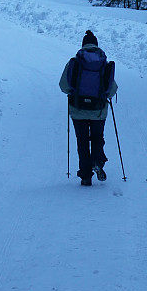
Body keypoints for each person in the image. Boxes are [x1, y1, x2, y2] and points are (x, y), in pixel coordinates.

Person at [59, 30, 118, 186]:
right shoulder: (103, 63)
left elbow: (63, 86)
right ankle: (98, 161)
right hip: (98, 110)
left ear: (83, 45)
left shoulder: (75, 62)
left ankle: (85, 176)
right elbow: (111, 89)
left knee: (82, 141)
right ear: (96, 45)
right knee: (98, 137)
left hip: (78, 109)